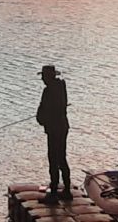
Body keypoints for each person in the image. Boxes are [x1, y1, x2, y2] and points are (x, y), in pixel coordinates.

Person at [36, 64, 71, 203]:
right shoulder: (61, 87)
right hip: (63, 127)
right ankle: (67, 190)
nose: (43, 80)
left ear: (49, 77)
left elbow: (43, 110)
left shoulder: (48, 91)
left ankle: (54, 193)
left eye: (44, 77)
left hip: (54, 129)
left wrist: (41, 118)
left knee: (53, 158)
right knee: (61, 158)